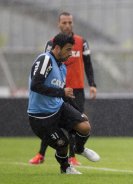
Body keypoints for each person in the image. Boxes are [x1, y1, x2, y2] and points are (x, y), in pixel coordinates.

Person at [29, 12, 97, 166]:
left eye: (70, 22)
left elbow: (88, 63)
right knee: (56, 133)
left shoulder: (81, 42)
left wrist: (92, 84)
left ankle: (74, 153)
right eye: (64, 22)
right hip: (55, 94)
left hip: (74, 90)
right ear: (58, 24)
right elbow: (38, 81)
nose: (67, 25)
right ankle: (42, 154)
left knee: (80, 124)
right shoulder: (50, 49)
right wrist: (60, 91)